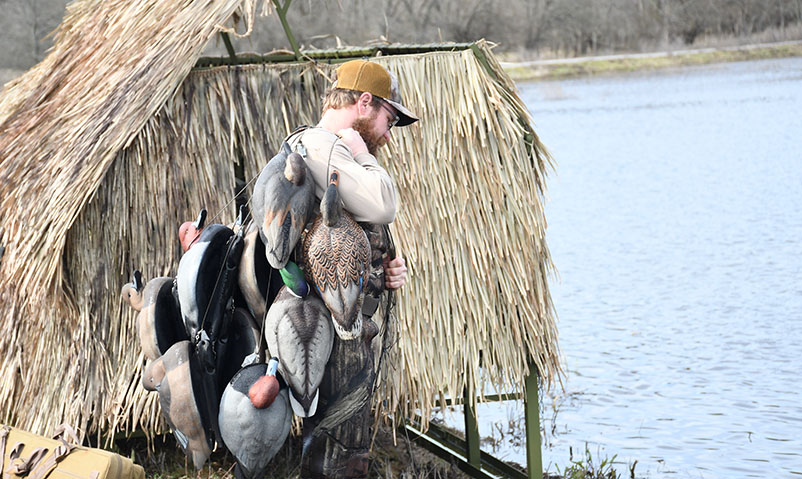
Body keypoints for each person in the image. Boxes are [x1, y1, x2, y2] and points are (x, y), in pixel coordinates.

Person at [285, 59, 416, 290]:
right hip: (322, 322)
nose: (387, 136)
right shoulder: (319, 145)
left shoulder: (331, 149)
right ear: (365, 103)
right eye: (390, 121)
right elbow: (384, 206)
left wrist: (380, 271)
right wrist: (362, 153)